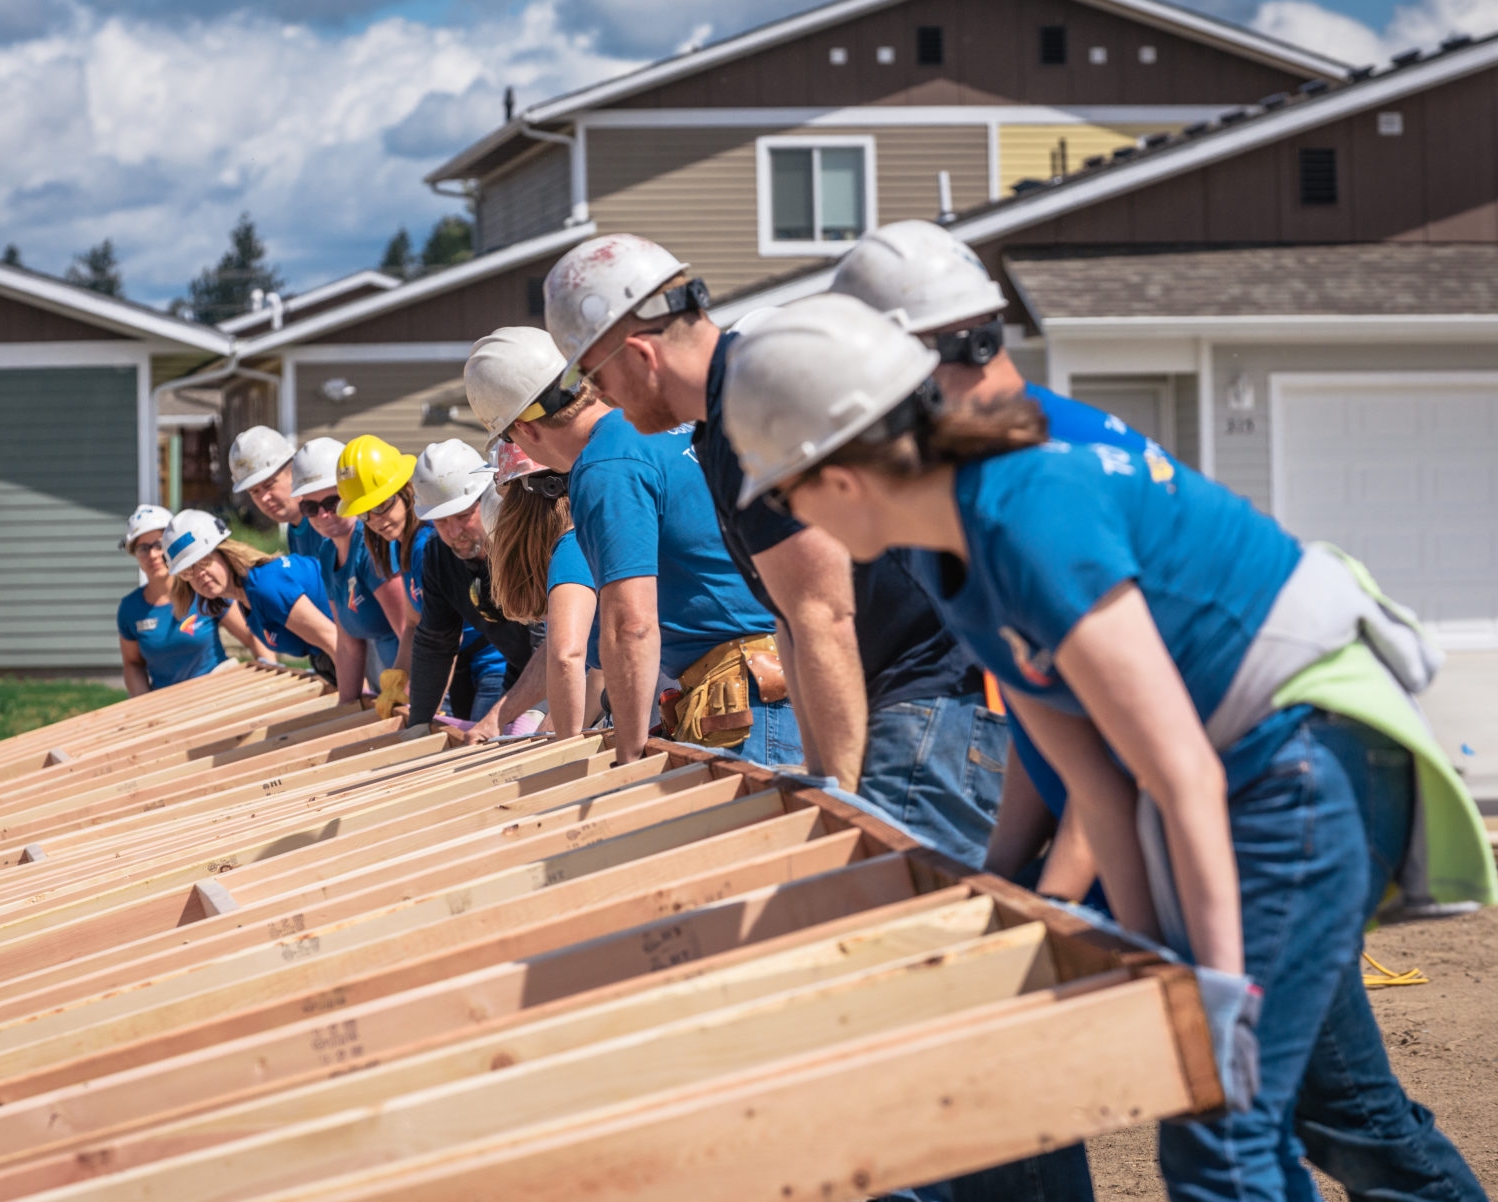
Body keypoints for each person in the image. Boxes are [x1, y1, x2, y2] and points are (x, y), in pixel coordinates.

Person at [721, 293, 1497, 1202]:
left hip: (1303, 758)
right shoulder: (946, 554)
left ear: (841, 476)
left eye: (783, 492)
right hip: (1239, 770)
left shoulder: (1027, 514)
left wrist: (1205, 986)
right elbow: (1095, 782)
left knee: (1224, 1125)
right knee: (1219, 1104)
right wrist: (1150, 958)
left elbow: (1178, 772)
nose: (785, 516)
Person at [542, 234, 1015, 874]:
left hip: (928, 698)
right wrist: (821, 779)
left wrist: (839, 801)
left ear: (639, 354)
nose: (604, 403)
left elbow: (823, 611)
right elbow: (789, 615)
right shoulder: (722, 419)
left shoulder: (755, 400)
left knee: (910, 919)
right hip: (912, 696)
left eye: (595, 378)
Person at [828, 218, 1173, 900]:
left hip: (1207, 798)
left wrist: (1057, 896)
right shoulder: (985, 465)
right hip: (1129, 813)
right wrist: (1005, 873)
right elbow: (1043, 715)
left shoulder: (1035, 475)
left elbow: (1122, 735)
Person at [467, 322, 801, 769]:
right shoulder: (666, 425)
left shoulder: (604, 465)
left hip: (747, 700)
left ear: (524, 430)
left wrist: (628, 756)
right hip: (786, 674)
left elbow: (631, 626)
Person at [403, 439, 546, 742]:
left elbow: (553, 644)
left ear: (488, 498)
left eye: (463, 516)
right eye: (441, 521)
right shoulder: (437, 557)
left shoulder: (524, 543)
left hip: (575, 674)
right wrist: (419, 721)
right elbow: (435, 642)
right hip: (523, 673)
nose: (454, 533)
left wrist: (531, 711)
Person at [482, 434, 605, 739]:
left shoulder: (573, 545)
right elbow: (603, 668)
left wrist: (564, 744)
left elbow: (566, 658)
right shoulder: (599, 530)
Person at [289, 436, 415, 705]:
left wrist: (409, 703)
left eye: (332, 502)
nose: (324, 515)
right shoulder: (327, 553)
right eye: (310, 508)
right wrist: (346, 708)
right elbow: (347, 645)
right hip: (390, 693)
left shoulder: (373, 546)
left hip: (418, 690)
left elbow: (411, 633)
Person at [162, 509, 340, 682]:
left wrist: (352, 699)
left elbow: (335, 641)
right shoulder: (246, 597)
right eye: (188, 571)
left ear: (225, 552)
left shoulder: (266, 585)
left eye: (204, 561)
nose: (199, 574)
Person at [114, 503, 272, 694]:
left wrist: (270, 683)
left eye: (158, 545)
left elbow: (253, 635)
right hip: (168, 707)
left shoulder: (204, 590)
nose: (153, 555)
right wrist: (143, 705)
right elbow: (132, 663)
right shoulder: (130, 609)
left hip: (218, 696)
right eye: (143, 548)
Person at [335, 434, 424, 713]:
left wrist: (423, 705)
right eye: (365, 514)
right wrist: (397, 680)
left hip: (484, 667)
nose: (376, 521)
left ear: (407, 490)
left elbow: (444, 636)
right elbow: (412, 624)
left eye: (382, 505)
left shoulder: (427, 541)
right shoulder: (400, 546)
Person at [227, 424, 326, 560]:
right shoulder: (294, 529)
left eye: (269, 485)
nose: (264, 498)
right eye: (254, 491)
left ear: (294, 472)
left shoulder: (327, 522)